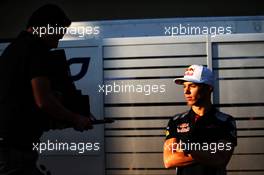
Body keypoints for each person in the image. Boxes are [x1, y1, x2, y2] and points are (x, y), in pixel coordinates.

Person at [0, 4, 93, 175]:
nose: (57, 42)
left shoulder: (13, 49)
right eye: (58, 34)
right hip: (15, 150)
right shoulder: (36, 49)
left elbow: (22, 101)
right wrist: (75, 118)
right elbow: (43, 100)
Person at [163, 65, 237, 175]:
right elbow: (169, 160)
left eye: (192, 86)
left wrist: (186, 149)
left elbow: (220, 159)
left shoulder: (225, 121)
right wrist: (208, 151)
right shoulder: (176, 121)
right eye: (184, 86)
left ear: (209, 88)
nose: (186, 92)